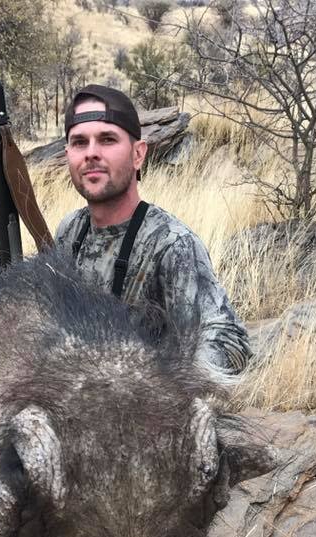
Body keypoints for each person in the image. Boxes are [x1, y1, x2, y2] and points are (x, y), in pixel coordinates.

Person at [53, 84, 252, 380]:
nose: (91, 153)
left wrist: (157, 381)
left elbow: (230, 343)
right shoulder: (71, 230)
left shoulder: (171, 244)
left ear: (138, 155)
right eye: (80, 143)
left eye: (107, 139)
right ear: (68, 154)